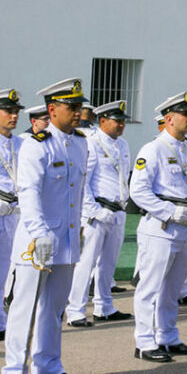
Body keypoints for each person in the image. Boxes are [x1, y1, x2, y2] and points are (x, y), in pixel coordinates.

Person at [3, 78, 88, 374]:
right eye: (71, 106)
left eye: (79, 106)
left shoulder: (80, 143)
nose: (78, 112)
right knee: (23, 310)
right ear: (52, 110)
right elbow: (28, 192)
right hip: (36, 242)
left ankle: (49, 365)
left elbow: (78, 191)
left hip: (65, 241)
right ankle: (14, 369)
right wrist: (39, 234)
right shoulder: (37, 145)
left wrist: (79, 229)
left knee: (53, 311)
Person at [130, 92, 187, 363]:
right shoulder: (153, 149)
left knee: (173, 288)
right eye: (186, 113)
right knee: (150, 288)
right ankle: (145, 342)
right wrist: (171, 211)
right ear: (169, 118)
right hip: (160, 226)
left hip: (186, 225)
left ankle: (168, 336)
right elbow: (138, 191)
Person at [65, 100, 133, 327]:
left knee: (108, 263)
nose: (121, 125)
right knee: (86, 262)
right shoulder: (91, 144)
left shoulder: (122, 144)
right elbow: (83, 182)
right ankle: (75, 310)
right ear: (102, 120)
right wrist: (93, 211)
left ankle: (104, 306)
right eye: (117, 121)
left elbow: (123, 177)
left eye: (123, 121)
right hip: (97, 212)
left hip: (117, 210)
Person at [0, 89, 24, 342]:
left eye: (16, 112)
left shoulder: (22, 144)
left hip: (15, 212)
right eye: (8, 111)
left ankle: (1, 320)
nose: (14, 116)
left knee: (7, 269)